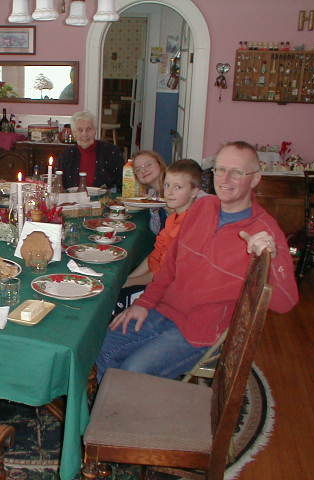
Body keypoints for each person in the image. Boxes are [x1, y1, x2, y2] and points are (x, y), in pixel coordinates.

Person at [96, 141, 299, 381]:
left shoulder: (264, 231)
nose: (225, 179)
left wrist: (271, 258)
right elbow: (169, 267)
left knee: (134, 370)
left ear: (255, 179)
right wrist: (144, 303)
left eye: (237, 172)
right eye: (220, 170)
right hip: (165, 311)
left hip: (201, 332)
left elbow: (286, 303)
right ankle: (120, 403)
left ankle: (133, 400)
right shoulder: (202, 207)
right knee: (102, 348)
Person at [123, 159, 203, 289]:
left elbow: (163, 274)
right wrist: (129, 278)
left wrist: (128, 283)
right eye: (167, 185)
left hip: (170, 287)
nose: (169, 192)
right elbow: (155, 256)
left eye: (177, 187)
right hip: (153, 279)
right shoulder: (172, 218)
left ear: (194, 192)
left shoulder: (189, 227)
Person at [58, 111, 123, 192]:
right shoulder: (66, 155)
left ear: (95, 131)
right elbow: (59, 185)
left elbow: (121, 185)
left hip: (104, 199)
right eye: (80, 130)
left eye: (88, 129)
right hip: (73, 199)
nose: (84, 134)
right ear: (74, 133)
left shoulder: (112, 152)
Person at [131, 150, 168, 234]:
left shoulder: (173, 189)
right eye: (138, 169)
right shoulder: (152, 193)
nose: (143, 171)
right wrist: (154, 211)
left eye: (148, 165)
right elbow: (156, 231)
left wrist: (168, 209)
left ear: (159, 164)